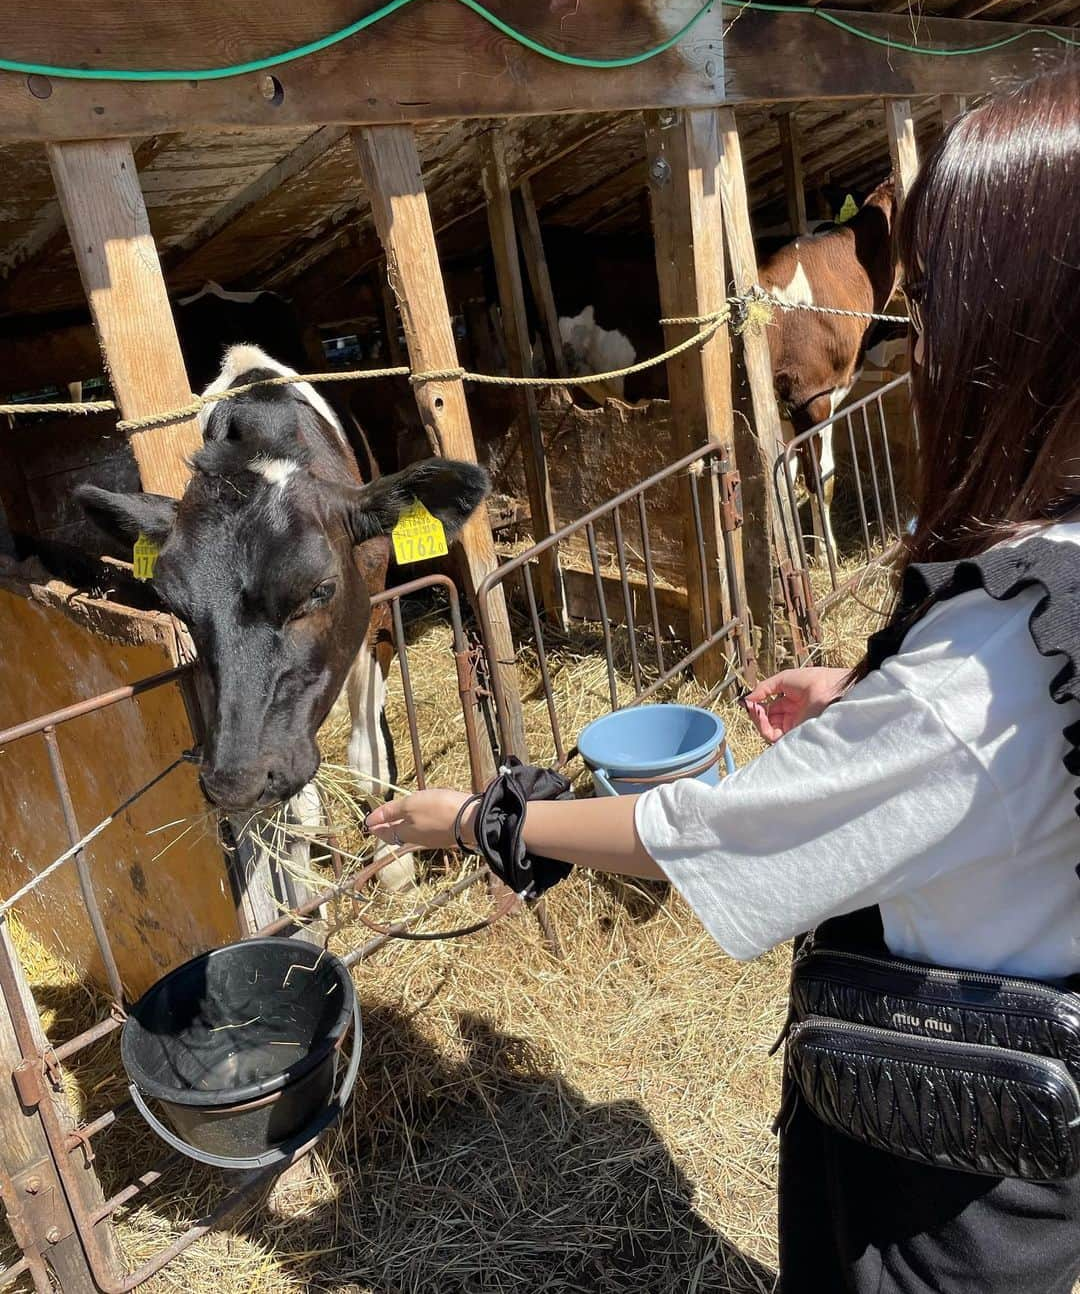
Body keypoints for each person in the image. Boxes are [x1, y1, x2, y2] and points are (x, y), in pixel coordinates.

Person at [367, 66, 1080, 1293]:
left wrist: (487, 816)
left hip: (943, 1190)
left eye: (937, 305)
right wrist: (870, 702)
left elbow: (721, 828)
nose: (913, 342)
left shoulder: (981, 678)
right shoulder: (1051, 569)